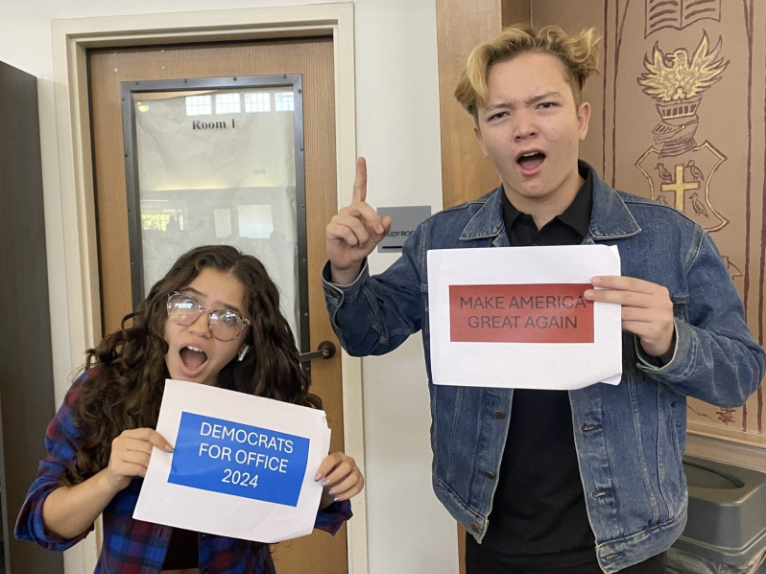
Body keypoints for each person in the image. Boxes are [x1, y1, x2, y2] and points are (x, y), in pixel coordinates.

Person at [322, 24, 765, 574]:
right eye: (500, 113)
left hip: (629, 541)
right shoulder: (442, 241)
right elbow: (367, 334)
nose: (524, 127)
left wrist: (671, 341)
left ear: (579, 118)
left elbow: (741, 373)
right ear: (481, 136)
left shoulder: (669, 240)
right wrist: (347, 268)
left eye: (544, 105)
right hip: (488, 528)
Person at [16, 245, 363, 574]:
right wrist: (110, 479)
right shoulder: (104, 390)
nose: (200, 326)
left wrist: (331, 487)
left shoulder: (265, 407)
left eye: (227, 317)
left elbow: (311, 507)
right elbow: (42, 522)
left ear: (245, 342)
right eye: (187, 304)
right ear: (161, 315)